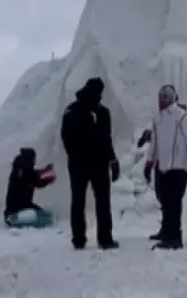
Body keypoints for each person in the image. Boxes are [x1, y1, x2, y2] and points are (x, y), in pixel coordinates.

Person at [60, 77, 120, 250]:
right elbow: (65, 137)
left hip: (100, 165)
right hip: (79, 165)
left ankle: (105, 238)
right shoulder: (72, 111)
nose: (99, 97)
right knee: (78, 202)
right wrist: (76, 155)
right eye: (97, 94)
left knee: (103, 202)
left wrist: (112, 160)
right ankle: (79, 239)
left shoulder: (103, 113)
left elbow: (106, 139)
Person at [143, 84, 187, 250]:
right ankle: (167, 231)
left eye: (165, 97)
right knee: (164, 199)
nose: (161, 101)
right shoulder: (157, 119)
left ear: (172, 98)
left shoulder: (182, 117)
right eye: (160, 97)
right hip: (162, 167)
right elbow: (154, 145)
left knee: (173, 202)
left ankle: (175, 237)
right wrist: (148, 165)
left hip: (178, 167)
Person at [3, 147, 56, 228]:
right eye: (33, 160)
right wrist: (48, 179)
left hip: (22, 208)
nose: (34, 163)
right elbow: (36, 181)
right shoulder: (22, 174)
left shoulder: (20, 169)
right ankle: (15, 223)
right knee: (47, 220)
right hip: (15, 212)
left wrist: (46, 170)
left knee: (47, 216)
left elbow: (35, 176)